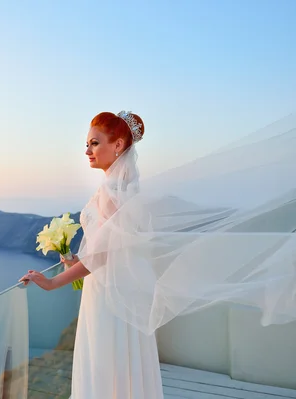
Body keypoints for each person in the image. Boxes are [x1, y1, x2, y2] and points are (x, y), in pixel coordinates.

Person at [19, 111, 296, 398]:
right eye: (87, 144)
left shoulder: (109, 192)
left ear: (117, 146)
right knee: (124, 363)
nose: (87, 150)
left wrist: (53, 283)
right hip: (124, 288)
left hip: (108, 295)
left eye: (94, 143)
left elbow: (102, 256)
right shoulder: (127, 190)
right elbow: (114, 248)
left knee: (105, 364)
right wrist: (76, 260)